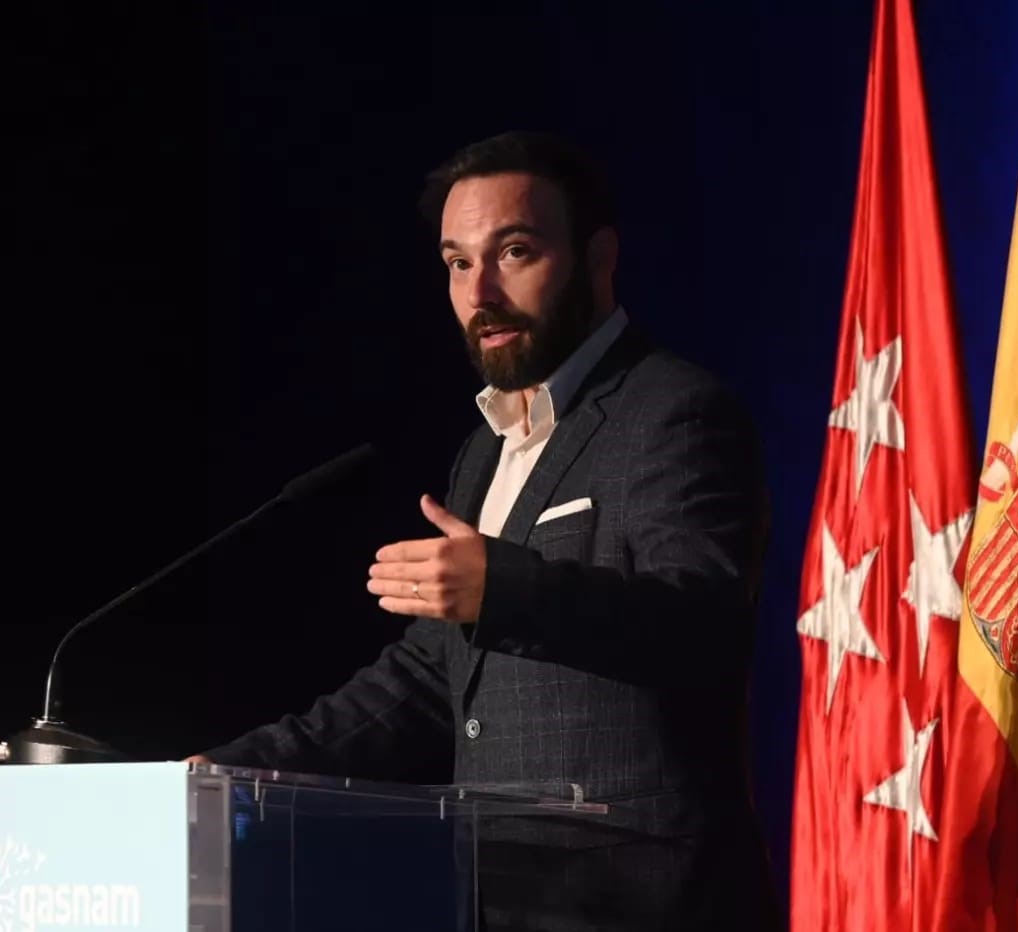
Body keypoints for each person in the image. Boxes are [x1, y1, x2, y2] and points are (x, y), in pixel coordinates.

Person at [191, 130, 779, 930]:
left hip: (647, 903)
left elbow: (700, 623)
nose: (481, 292)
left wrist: (502, 588)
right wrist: (228, 770)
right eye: (458, 263)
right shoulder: (485, 450)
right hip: (503, 899)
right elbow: (429, 676)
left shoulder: (674, 411)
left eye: (514, 252)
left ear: (598, 257)